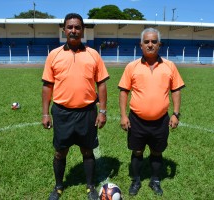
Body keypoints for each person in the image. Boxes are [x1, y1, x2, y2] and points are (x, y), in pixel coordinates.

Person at [41, 13, 109, 200]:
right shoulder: (54, 55)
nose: (73, 30)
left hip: (87, 112)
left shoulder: (93, 54)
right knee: (60, 151)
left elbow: (101, 84)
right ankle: (59, 186)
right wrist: (45, 113)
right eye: (70, 27)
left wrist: (102, 111)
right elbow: (47, 85)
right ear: (64, 29)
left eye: (77, 27)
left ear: (82, 30)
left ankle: (90, 187)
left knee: (87, 151)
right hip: (62, 113)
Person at [118, 27, 185, 196]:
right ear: (141, 45)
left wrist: (176, 114)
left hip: (161, 120)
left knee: (157, 152)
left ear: (159, 44)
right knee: (137, 151)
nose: (150, 45)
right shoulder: (131, 66)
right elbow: (124, 91)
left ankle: (155, 180)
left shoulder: (170, 66)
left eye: (154, 42)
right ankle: (136, 180)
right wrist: (124, 115)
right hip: (137, 120)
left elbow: (176, 90)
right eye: (146, 42)